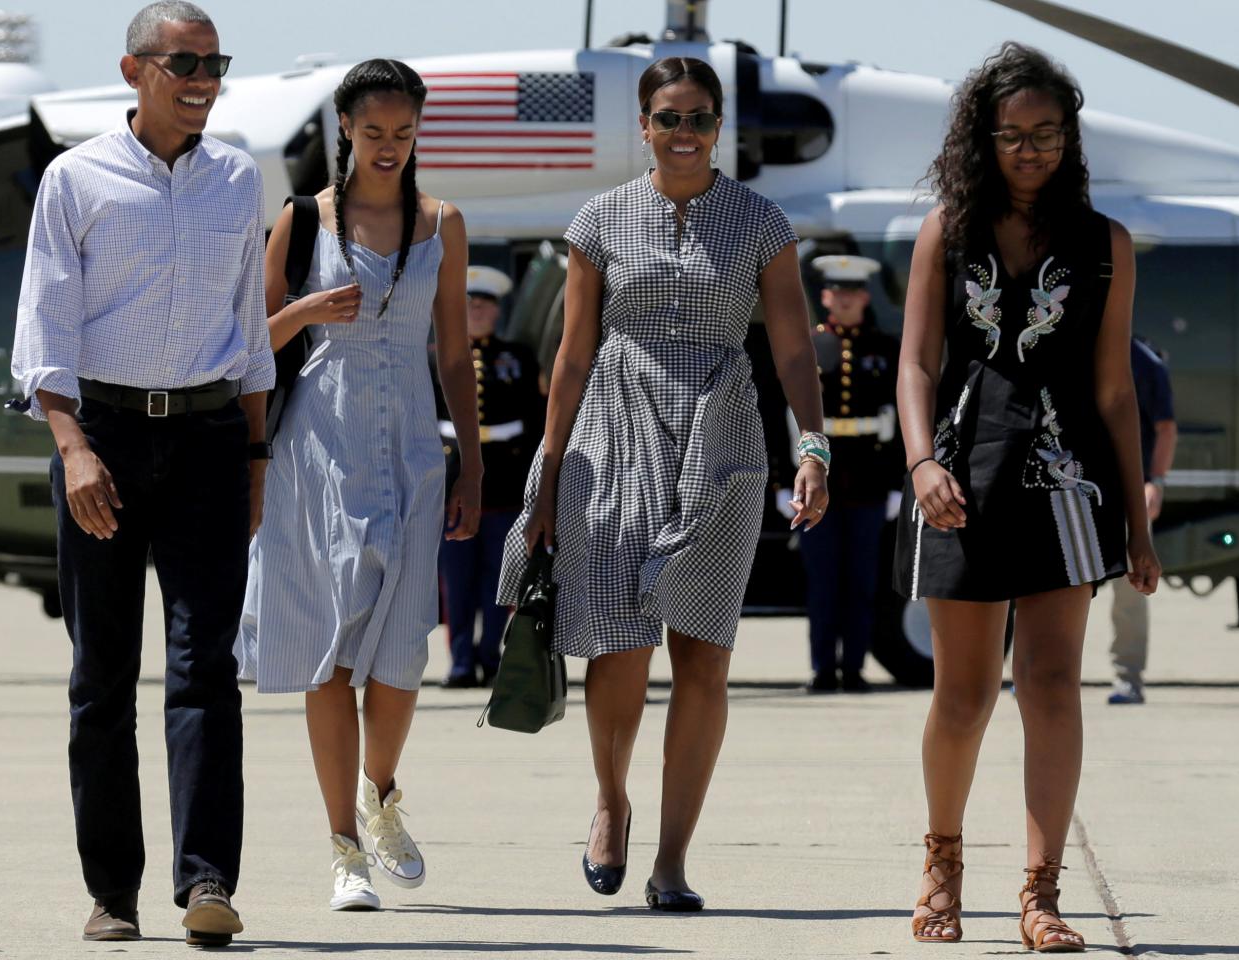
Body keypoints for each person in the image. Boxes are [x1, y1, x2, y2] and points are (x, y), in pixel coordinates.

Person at [497, 56, 829, 912]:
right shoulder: (599, 218)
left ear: (721, 129)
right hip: (613, 429)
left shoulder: (761, 222)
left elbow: (793, 346)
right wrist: (546, 472)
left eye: (701, 119)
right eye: (669, 117)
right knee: (617, 640)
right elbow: (570, 354)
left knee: (704, 657)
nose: (686, 133)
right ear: (643, 126)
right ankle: (611, 800)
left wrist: (815, 444)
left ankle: (672, 862)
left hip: (721, 433)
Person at [9, 1, 269, 946]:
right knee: (102, 675)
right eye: (184, 63)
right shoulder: (75, 180)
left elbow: (248, 333)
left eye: (215, 63)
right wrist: (72, 447)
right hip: (105, 441)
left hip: (206, 443)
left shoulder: (238, 179)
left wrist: (256, 456)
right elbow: (44, 326)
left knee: (208, 670)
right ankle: (112, 892)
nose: (203, 80)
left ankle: (208, 885)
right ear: (134, 72)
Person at [892, 43, 1161, 950]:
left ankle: (1042, 895)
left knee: (1051, 686)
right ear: (983, 138)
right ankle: (942, 868)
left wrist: (1141, 523)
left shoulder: (1105, 246)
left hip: (1068, 487)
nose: (1031, 149)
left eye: (1048, 133)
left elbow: (1116, 390)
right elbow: (917, 361)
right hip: (959, 481)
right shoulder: (946, 231)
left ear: (1070, 137)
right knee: (962, 696)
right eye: (1013, 135)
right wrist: (922, 463)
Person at [236, 59, 483, 913]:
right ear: (345, 127)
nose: (388, 147)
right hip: (318, 447)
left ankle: (382, 796)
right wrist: (306, 312)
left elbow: (454, 353)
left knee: (404, 651)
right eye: (373, 131)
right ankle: (342, 846)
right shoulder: (303, 222)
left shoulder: (442, 224)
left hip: (414, 448)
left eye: (403, 132)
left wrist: (472, 465)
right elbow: (249, 346)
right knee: (325, 651)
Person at [795, 254, 902, 694]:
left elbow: (897, 421)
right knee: (822, 583)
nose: (843, 300)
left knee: (862, 582)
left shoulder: (884, 348)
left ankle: (854, 668)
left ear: (863, 297)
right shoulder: (810, 347)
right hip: (819, 482)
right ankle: (822, 669)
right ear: (824, 297)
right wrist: (787, 481)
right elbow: (786, 415)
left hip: (869, 482)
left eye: (851, 292)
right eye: (835, 292)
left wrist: (897, 482)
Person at [434, 265, 543, 688]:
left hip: (506, 481)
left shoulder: (518, 357)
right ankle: (461, 659)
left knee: (502, 574)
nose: (476, 311)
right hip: (454, 480)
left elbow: (535, 422)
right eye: (468, 305)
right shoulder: (435, 356)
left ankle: (491, 653)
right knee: (456, 578)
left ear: (496, 311)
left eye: (484, 305)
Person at [1108, 338, 1176, 705]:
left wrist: (1156, 482)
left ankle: (1129, 677)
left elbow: (1166, 428)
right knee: (1047, 589)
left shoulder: (1146, 363)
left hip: (1128, 492)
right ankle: (1032, 672)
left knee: (1130, 590)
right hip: (1073, 485)